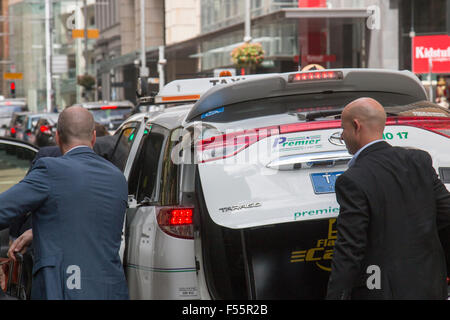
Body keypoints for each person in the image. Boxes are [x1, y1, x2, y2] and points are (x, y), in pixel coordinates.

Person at [326, 97, 450, 300]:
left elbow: (349, 250)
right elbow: (446, 215)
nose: (342, 135)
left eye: (343, 129)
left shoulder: (352, 180)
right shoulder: (418, 161)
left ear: (356, 126)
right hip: (431, 287)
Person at [0, 106, 129, 300]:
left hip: (62, 289)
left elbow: (3, 210)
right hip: (111, 290)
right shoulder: (117, 178)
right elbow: (88, 223)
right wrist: (37, 232)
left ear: (57, 137)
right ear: (93, 137)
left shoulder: (50, 169)